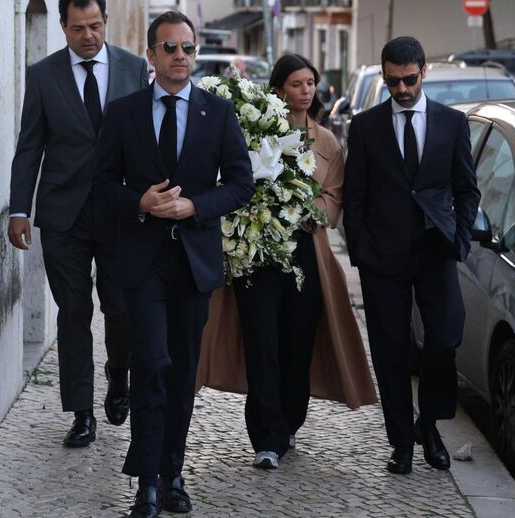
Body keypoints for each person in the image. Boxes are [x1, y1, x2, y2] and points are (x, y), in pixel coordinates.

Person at [93, 11, 254, 518]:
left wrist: (196, 206)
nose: (180, 56)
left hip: (192, 260)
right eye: (170, 48)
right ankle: (146, 482)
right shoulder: (123, 113)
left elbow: (242, 183)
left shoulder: (217, 113)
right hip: (141, 262)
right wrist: (138, 202)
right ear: (152, 55)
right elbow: (99, 187)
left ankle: (174, 472)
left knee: (182, 370)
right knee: (152, 364)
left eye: (187, 48)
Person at [196, 54, 377, 470]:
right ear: (279, 91)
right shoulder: (255, 133)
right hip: (257, 256)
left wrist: (294, 200)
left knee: (297, 346)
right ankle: (265, 435)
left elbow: (333, 205)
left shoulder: (327, 143)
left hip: (307, 258)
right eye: (297, 84)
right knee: (262, 344)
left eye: (311, 82)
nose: (307, 90)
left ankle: (289, 423)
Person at [7, 0, 148, 448]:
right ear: (63, 28)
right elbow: (30, 146)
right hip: (62, 213)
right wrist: (18, 209)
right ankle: (81, 412)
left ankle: (118, 374)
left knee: (121, 309)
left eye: (94, 26)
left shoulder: (133, 67)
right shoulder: (43, 75)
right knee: (73, 313)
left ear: (105, 23)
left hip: (120, 213)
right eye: (77, 28)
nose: (87, 36)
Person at [342, 36, 480, 475]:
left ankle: (431, 426)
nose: (400, 89)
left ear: (424, 72)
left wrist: (458, 238)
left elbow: (467, 189)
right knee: (391, 351)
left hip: (435, 249)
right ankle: (402, 443)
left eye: (408, 80)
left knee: (444, 341)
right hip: (383, 258)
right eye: (391, 82)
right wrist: (360, 251)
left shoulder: (453, 123)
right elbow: (355, 197)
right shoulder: (364, 127)